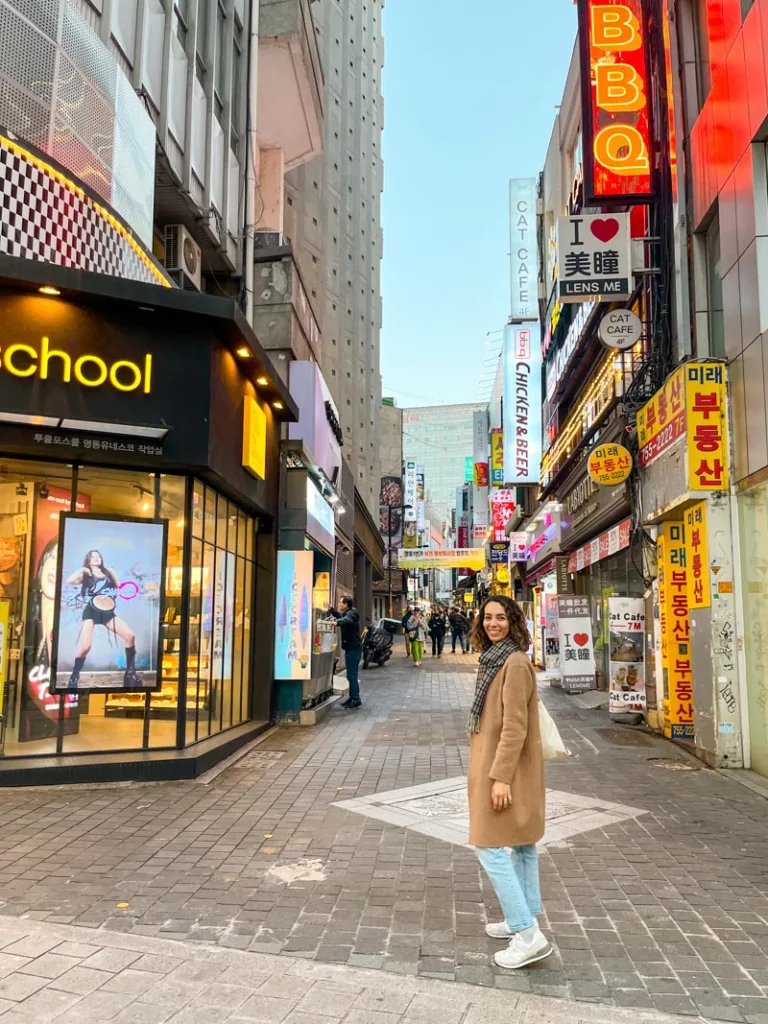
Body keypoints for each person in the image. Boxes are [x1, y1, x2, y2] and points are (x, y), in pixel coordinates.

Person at [467, 595, 549, 970]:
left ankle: (527, 934)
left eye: (501, 617)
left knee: (487, 844)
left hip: (506, 769)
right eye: (488, 617)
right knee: (523, 844)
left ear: (514, 621)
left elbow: (514, 726)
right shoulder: (497, 658)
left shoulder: (513, 663)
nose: (493, 623)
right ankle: (525, 918)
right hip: (512, 767)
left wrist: (500, 779)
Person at [66, 549, 139, 689]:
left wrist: (134, 589)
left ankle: (130, 673)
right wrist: (82, 569)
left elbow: (120, 587)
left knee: (130, 636)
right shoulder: (86, 574)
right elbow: (70, 581)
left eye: (98, 556)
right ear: (88, 560)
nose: (97, 558)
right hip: (92, 610)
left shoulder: (109, 572)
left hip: (107, 611)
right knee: (85, 646)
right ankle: (74, 676)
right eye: (93, 557)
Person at [331, 596, 363, 709]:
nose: (339, 604)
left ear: (346, 604)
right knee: (350, 675)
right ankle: (353, 697)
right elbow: (342, 617)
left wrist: (337, 623)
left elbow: (347, 620)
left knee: (351, 675)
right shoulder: (347, 613)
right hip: (351, 648)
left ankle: (355, 699)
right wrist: (332, 611)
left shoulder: (352, 613)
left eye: (340, 603)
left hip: (354, 649)